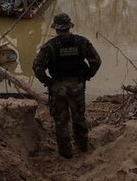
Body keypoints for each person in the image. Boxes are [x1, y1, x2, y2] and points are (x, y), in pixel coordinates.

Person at [32, 12, 101, 159]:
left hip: (58, 87)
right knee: (79, 117)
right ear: (69, 26)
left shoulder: (49, 46)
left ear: (56, 29)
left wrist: (48, 81)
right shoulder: (82, 42)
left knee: (61, 120)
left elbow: (37, 67)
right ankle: (82, 146)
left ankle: (66, 153)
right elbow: (96, 61)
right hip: (77, 85)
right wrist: (88, 75)